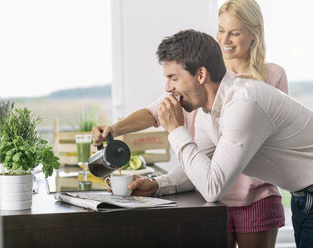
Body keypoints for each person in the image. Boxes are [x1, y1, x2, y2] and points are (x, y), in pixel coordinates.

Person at [112, 29, 313, 248]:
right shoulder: (208, 112)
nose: (168, 87)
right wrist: (155, 185)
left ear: (201, 74)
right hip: (309, 196)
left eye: (173, 77)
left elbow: (213, 188)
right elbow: (200, 170)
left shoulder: (243, 102)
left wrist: (176, 129)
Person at [93, 1, 285, 247]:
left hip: (257, 195)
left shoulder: (270, 76)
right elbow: (157, 111)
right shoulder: (203, 77)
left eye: (235, 32)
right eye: (221, 30)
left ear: (255, 32)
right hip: (210, 195)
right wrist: (115, 129)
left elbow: (274, 137)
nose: (225, 39)